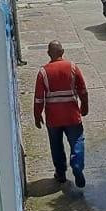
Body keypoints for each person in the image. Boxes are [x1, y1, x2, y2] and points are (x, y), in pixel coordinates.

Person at [33, 40, 89, 187]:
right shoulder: (72, 67)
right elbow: (83, 90)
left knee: (56, 145)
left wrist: (37, 115)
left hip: (53, 117)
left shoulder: (43, 72)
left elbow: (39, 98)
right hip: (72, 114)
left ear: (48, 53)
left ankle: (61, 173)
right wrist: (84, 106)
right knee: (77, 141)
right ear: (62, 52)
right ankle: (77, 164)